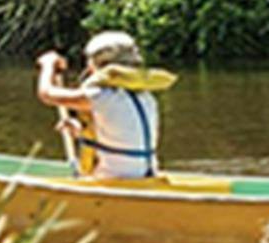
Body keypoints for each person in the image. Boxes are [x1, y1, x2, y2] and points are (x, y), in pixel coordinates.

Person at [35, 30, 176, 179]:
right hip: (148, 176)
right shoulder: (146, 97)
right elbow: (122, 136)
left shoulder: (102, 96)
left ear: (96, 65)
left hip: (114, 178)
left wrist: (48, 65)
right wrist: (80, 131)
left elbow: (47, 94)